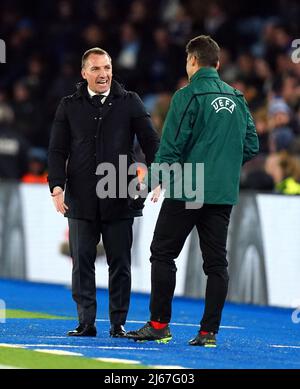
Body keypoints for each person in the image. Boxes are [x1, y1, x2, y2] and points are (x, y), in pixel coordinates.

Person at [127, 35, 259, 346]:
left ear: (192, 62)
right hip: (222, 192)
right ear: (218, 63)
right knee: (216, 263)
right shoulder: (238, 98)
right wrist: (222, 166)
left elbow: (171, 149)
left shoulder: (187, 97)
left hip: (188, 188)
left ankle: (159, 325)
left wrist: (150, 184)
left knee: (162, 253)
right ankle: (208, 332)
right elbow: (252, 145)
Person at [48, 48, 159, 337]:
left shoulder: (130, 102)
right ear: (84, 72)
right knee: (82, 262)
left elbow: (150, 141)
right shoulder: (68, 105)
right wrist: (56, 188)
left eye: (107, 68)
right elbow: (57, 150)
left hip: (120, 195)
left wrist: (159, 175)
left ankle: (118, 323)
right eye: (96, 69)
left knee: (120, 263)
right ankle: (86, 322)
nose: (104, 74)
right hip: (80, 197)